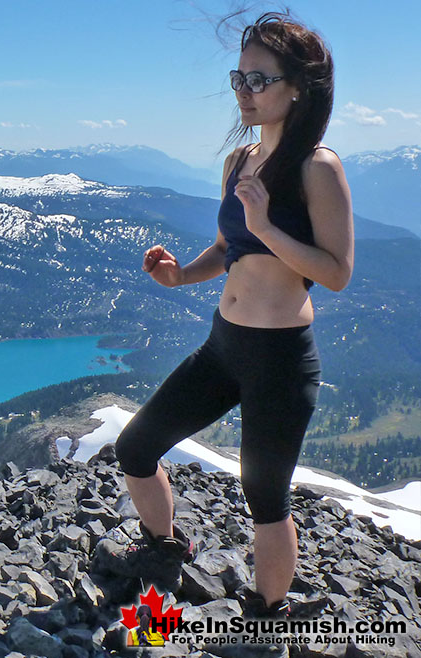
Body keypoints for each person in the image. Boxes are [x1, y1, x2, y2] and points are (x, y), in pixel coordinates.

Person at [97, 11, 353, 619]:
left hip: (281, 359)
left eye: (259, 80)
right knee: (136, 447)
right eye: (239, 78)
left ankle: (267, 615)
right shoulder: (238, 162)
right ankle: (163, 549)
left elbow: (336, 272)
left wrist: (266, 224)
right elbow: (228, 248)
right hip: (223, 345)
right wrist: (181, 273)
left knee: (263, 493)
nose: (244, 90)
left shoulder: (318, 167)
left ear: (298, 87)